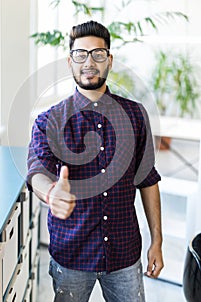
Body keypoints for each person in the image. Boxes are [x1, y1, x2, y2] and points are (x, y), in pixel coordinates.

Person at [27, 20, 164, 302]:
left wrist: (157, 241)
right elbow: (37, 170)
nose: (89, 62)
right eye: (81, 54)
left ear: (109, 60)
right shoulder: (49, 120)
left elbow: (148, 179)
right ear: (70, 61)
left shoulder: (135, 116)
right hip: (72, 255)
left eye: (98, 54)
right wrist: (51, 193)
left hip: (124, 254)